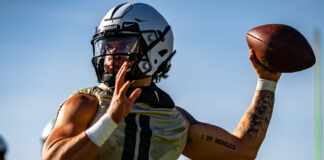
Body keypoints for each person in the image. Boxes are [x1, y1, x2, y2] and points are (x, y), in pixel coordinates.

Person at [42, 2, 281, 160]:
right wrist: (109, 121)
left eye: (122, 46)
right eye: (106, 47)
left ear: (156, 48)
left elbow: (242, 151)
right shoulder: (85, 104)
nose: (108, 58)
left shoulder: (176, 120)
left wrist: (267, 81)